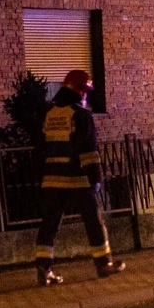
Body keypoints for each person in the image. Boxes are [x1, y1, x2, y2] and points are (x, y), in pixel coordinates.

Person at [34, 69, 126, 285]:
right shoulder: (80, 116)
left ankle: (44, 269)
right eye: (86, 92)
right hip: (77, 179)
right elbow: (88, 151)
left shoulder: (48, 114)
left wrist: (41, 177)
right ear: (80, 92)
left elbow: (39, 149)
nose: (87, 97)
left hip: (51, 180)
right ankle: (104, 264)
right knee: (94, 221)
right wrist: (96, 179)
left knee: (49, 224)